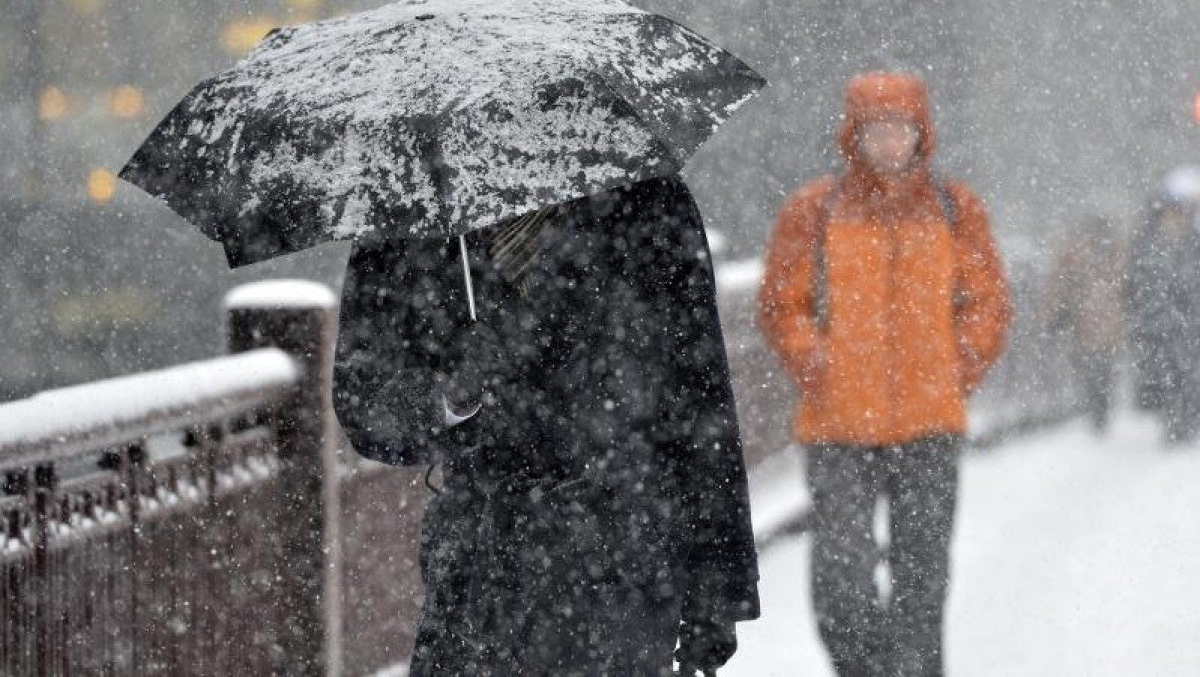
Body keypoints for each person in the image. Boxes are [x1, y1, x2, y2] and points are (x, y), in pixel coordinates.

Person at [333, 175, 759, 676]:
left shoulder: (644, 198)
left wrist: (718, 583)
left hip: (625, 557)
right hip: (479, 574)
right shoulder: (412, 212)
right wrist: (445, 395)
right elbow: (364, 408)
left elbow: (700, 395)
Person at [758, 72, 1011, 677]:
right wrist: (814, 364)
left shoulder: (955, 208)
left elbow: (987, 302)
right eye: (876, 129)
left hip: (930, 423)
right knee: (841, 581)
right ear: (854, 135)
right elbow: (780, 305)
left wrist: (956, 370)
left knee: (922, 578)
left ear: (921, 134)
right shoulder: (814, 210)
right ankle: (865, 669)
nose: (890, 142)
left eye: (900, 128)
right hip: (837, 426)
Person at [1127, 169, 1200, 444]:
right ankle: (1173, 423)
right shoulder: (1147, 245)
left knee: (1189, 375)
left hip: (1190, 326)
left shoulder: (1193, 244)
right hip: (1160, 327)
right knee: (1167, 376)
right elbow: (1135, 285)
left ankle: (1186, 420)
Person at [1046, 214, 1126, 433]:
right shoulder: (1116, 256)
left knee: (1092, 367)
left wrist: (1058, 313)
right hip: (1106, 323)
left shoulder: (1079, 256)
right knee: (1102, 368)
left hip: (1087, 323)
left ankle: (1097, 408)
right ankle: (1100, 407)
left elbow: (1062, 286)